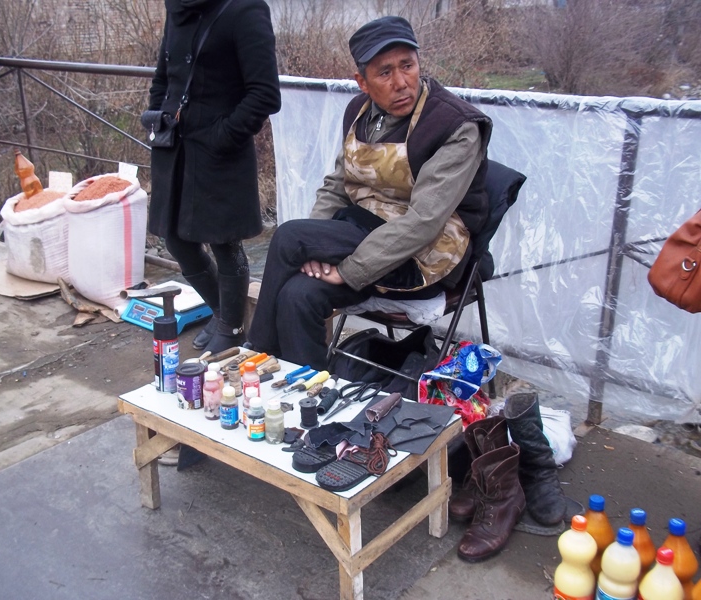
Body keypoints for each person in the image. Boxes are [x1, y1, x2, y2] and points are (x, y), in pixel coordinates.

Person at [248, 16, 492, 371]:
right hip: (366, 233)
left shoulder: (456, 125)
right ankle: (308, 394)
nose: (401, 82)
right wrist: (315, 251)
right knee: (298, 295)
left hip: (428, 255)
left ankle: (254, 356)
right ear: (361, 81)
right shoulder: (359, 112)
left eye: (407, 66)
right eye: (385, 73)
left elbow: (424, 221)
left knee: (289, 236)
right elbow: (337, 185)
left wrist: (349, 271)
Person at [147, 0, 281, 355]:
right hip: (174, 147)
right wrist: (157, 115)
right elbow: (163, 76)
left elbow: (265, 94)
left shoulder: (245, 9)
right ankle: (222, 314)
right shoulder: (178, 8)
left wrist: (222, 136)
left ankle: (232, 328)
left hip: (219, 149)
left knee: (225, 243)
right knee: (175, 238)